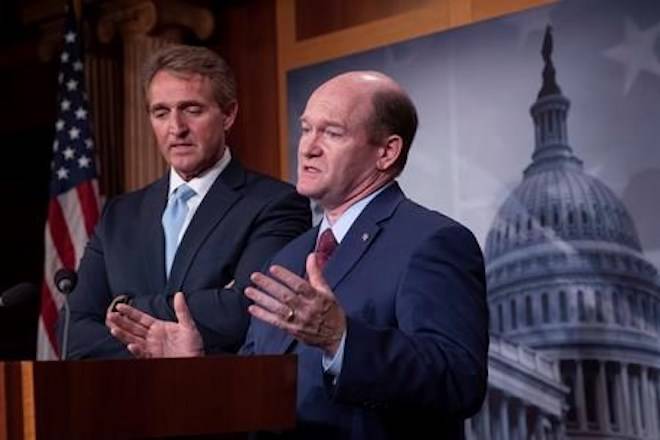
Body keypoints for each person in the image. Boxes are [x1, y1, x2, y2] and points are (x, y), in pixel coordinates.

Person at [108, 71, 488, 439]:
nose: (308, 146)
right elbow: (259, 390)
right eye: (306, 128)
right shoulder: (289, 257)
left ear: (386, 152)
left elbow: (458, 380)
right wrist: (197, 370)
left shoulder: (432, 241)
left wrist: (342, 339)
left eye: (332, 132)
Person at [60, 45, 311, 359]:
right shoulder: (119, 214)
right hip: (127, 399)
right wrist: (153, 348)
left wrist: (124, 307)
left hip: (223, 396)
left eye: (192, 110)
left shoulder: (276, 203)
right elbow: (73, 331)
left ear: (229, 114)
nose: (176, 128)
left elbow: (249, 309)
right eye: (161, 112)